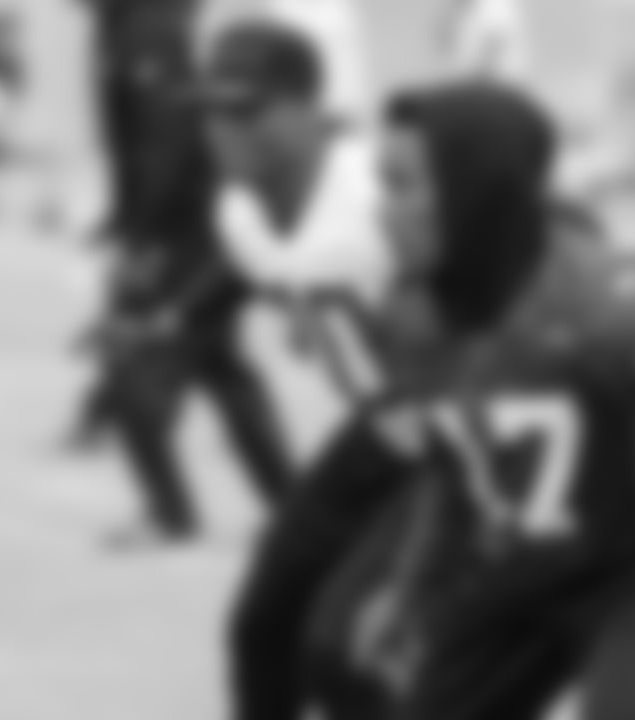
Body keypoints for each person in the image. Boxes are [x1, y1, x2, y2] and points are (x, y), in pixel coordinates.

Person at [333, 80, 635, 720]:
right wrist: (407, 590)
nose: (381, 211)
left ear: (476, 188)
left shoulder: (611, 301)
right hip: (517, 571)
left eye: (401, 184)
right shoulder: (412, 315)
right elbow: (450, 468)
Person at [196, 20, 419, 720]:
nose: (224, 130)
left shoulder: (376, 195)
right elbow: (278, 278)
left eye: (246, 109)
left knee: (343, 647)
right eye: (212, 110)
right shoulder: (237, 211)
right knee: (263, 626)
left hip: (449, 438)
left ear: (308, 108)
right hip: (380, 431)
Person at [70, 0, 294, 548]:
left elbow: (167, 143)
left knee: (135, 361)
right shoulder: (125, 23)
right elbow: (134, 139)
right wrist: (121, 215)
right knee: (220, 365)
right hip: (190, 222)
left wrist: (143, 237)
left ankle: (172, 514)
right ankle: (289, 507)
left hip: (185, 228)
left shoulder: (148, 25)